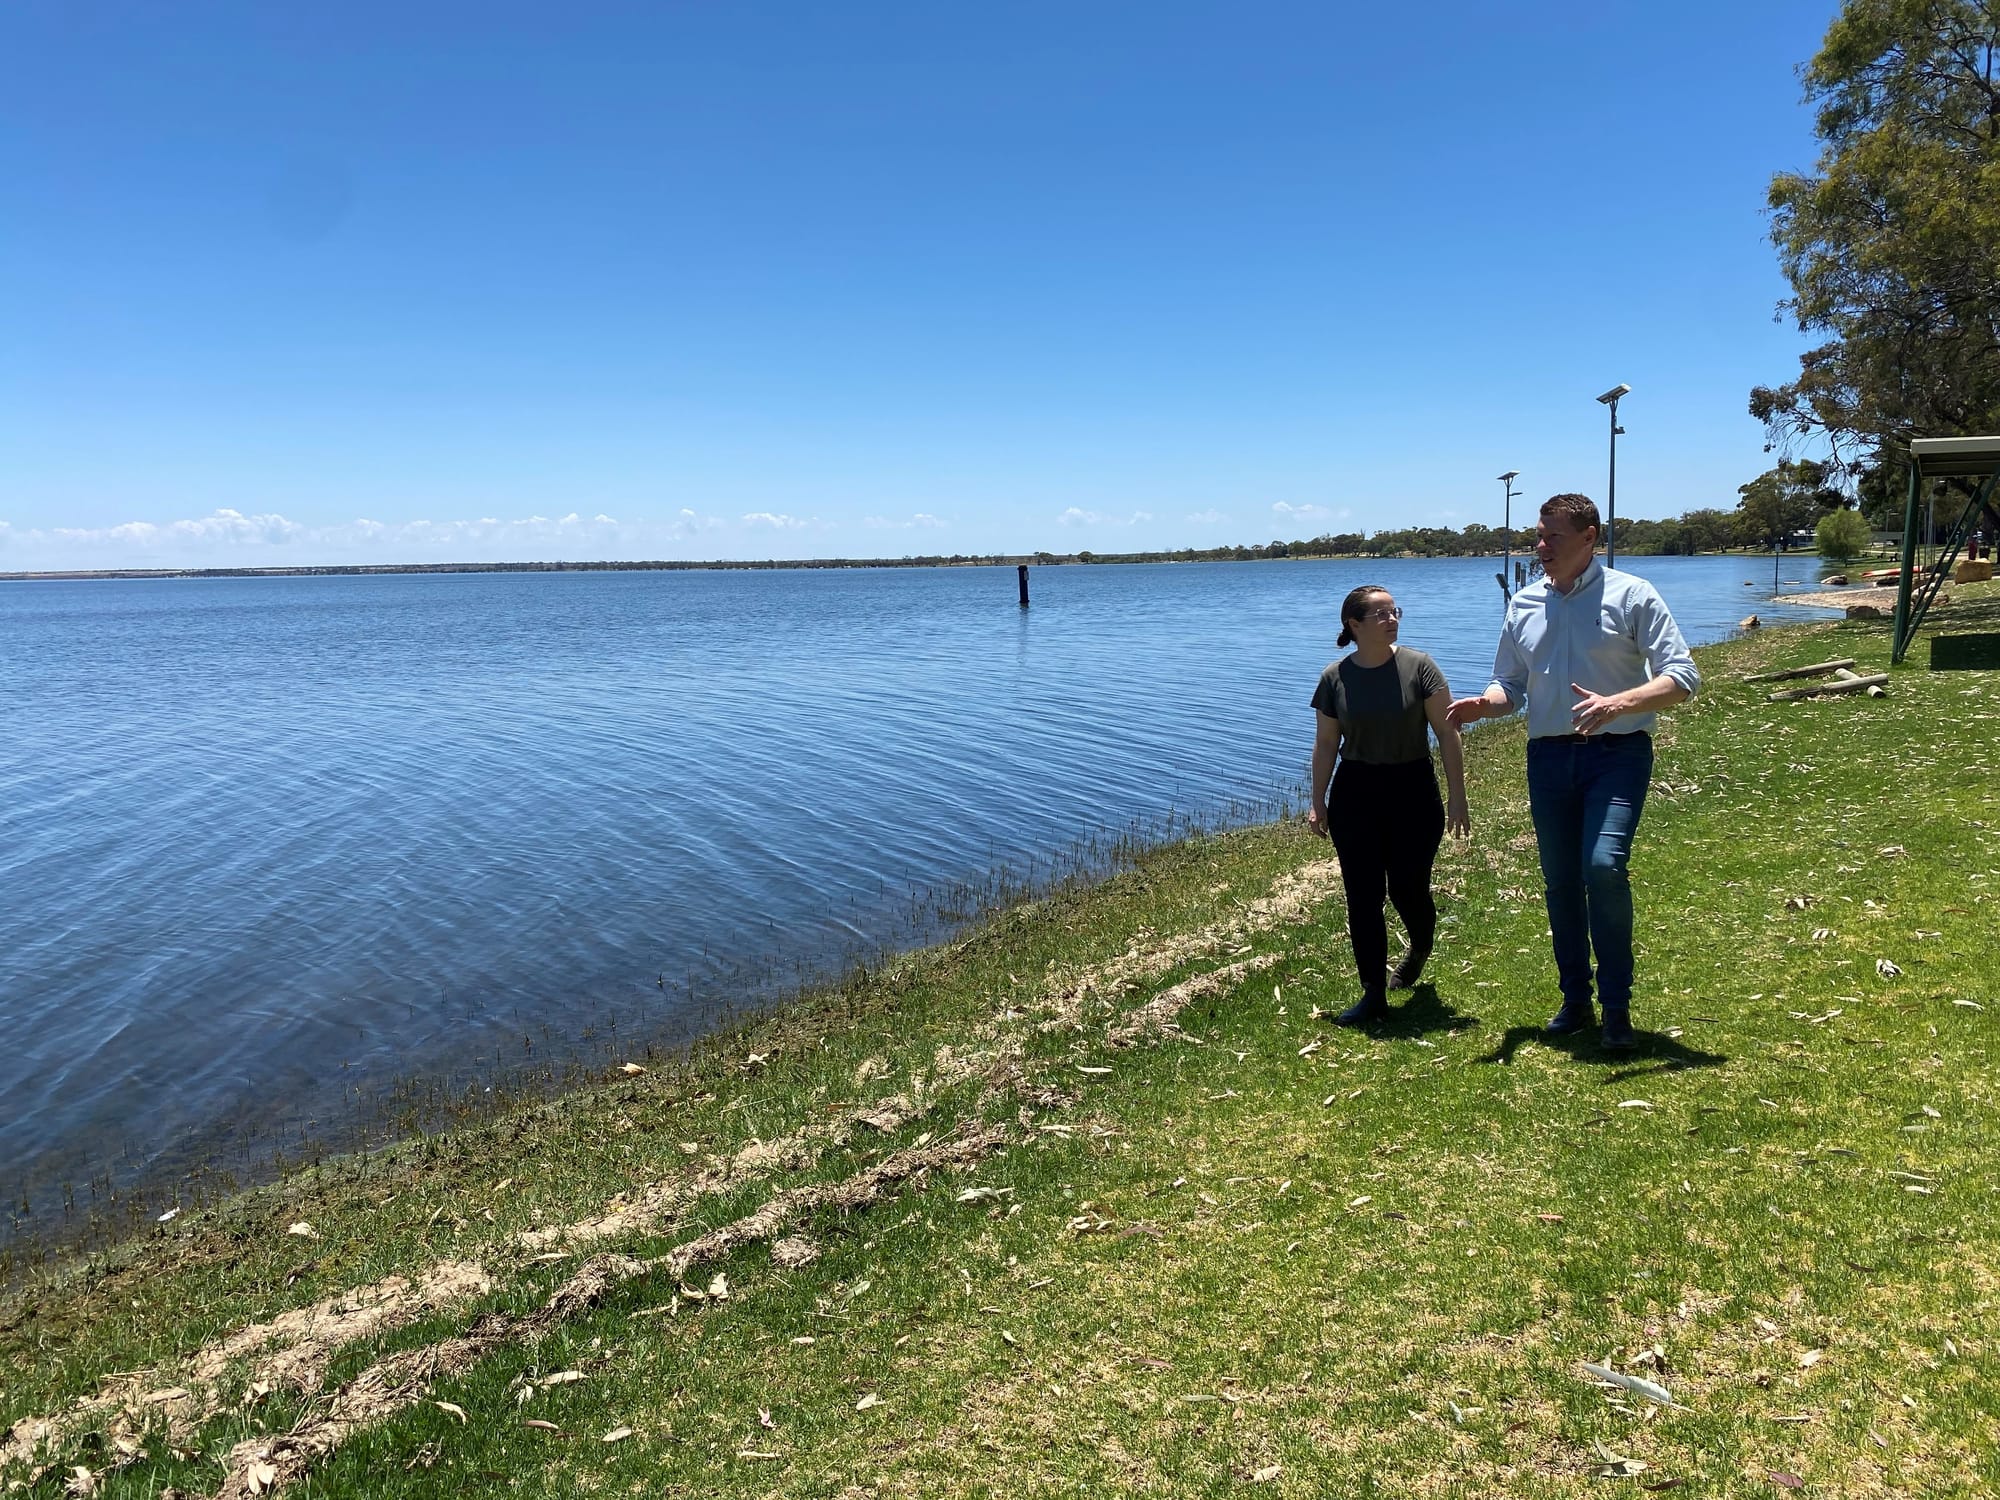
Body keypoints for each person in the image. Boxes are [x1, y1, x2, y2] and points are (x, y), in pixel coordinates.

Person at [1446, 494, 1700, 1049]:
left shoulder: (1633, 594)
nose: (1540, 546)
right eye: (1539, 536)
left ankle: (1617, 1008)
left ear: (1589, 538)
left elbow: (1683, 677)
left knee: (1603, 867)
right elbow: (1510, 684)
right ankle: (1575, 1001)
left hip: (1618, 753)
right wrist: (1485, 705)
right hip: (1549, 759)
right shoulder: (1524, 603)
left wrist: (1619, 702)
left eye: (1552, 537)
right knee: (1561, 882)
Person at [1307, 586, 1470, 1024]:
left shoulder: (1420, 666)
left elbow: (1448, 732)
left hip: (1412, 790)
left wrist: (1458, 796)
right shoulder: (1334, 677)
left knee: (1406, 888)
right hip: (1355, 793)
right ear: (1354, 625)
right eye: (1380, 614)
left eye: (1394, 611)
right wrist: (1317, 800)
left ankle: (1420, 945)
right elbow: (1326, 743)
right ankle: (1372, 994)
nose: (1391, 619)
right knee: (1363, 895)